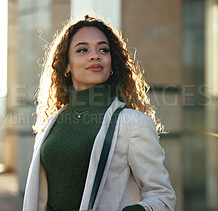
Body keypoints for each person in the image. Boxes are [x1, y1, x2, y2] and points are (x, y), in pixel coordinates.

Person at [23, 15, 176, 211]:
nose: (95, 55)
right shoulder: (52, 122)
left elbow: (162, 195)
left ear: (112, 63)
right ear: (67, 65)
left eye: (103, 49)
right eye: (82, 50)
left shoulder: (133, 123)